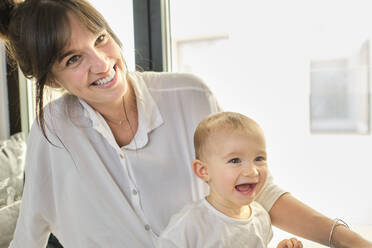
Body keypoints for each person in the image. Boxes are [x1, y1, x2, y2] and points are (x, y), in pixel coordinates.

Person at [0, 0, 371, 247]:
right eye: (73, 59)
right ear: (50, 79)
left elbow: (257, 190)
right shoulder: (53, 131)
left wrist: (347, 239)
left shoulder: (189, 96)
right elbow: (30, 232)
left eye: (101, 39)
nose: (102, 63)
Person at [157, 112, 303, 248]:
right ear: (204, 171)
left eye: (259, 158)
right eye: (235, 160)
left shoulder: (260, 217)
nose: (252, 171)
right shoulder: (188, 227)